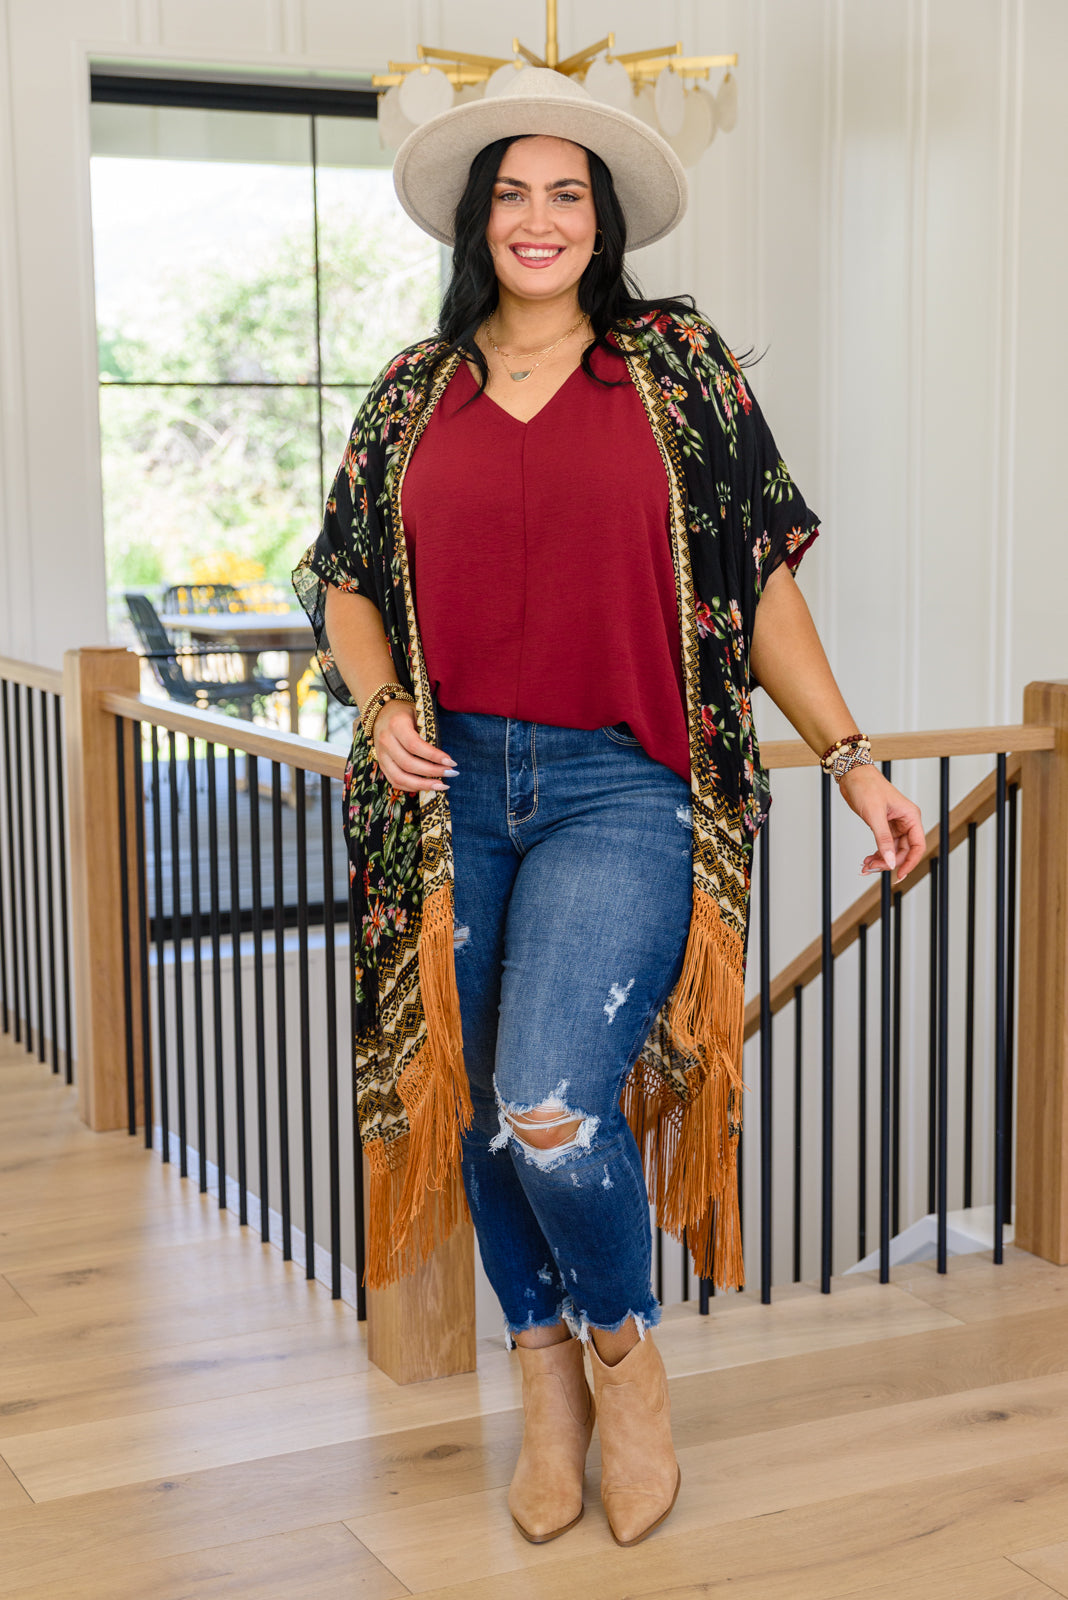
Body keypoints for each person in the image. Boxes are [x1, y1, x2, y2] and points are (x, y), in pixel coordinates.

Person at [294, 67, 925, 1549]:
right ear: (474, 219)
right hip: (449, 791)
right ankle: (544, 1380)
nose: (538, 218)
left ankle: (625, 1362)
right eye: (510, 193)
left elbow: (760, 579)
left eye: (566, 193)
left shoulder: (676, 365)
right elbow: (342, 584)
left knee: (548, 1104)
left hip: (624, 783)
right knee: (477, 1109)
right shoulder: (409, 393)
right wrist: (381, 710)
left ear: (603, 220)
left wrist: (853, 758)